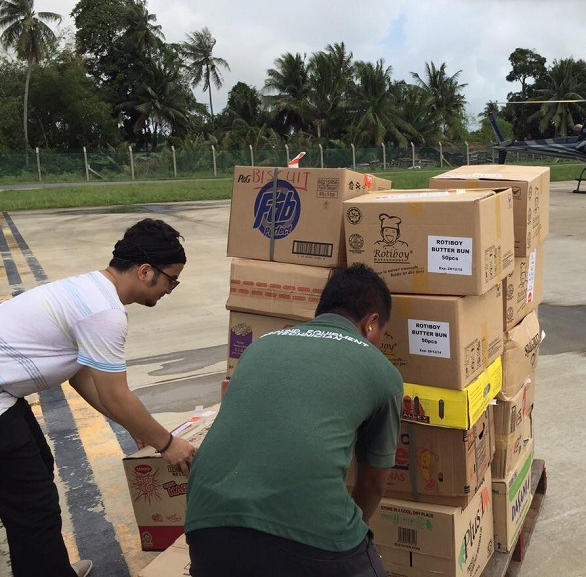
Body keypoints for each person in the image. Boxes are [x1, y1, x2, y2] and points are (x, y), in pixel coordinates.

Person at [0, 218, 196, 577]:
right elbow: (115, 395)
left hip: (6, 396)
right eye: (171, 279)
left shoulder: (89, 288)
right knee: (33, 503)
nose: (171, 289)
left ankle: (46, 566)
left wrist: (138, 428)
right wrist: (167, 443)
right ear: (145, 271)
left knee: (36, 473)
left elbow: (81, 377)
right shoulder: (105, 312)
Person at [185, 263, 403, 577]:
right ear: (371, 323)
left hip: (206, 529)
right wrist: (348, 537)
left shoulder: (260, 347)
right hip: (311, 540)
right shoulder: (383, 372)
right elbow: (373, 484)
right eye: (382, 333)